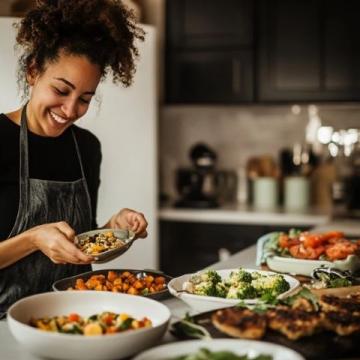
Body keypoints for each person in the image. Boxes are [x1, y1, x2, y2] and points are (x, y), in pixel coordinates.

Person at [0, 0, 148, 314]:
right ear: (33, 71)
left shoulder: (87, 148)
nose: (70, 111)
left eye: (84, 99)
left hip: (74, 317)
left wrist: (113, 229)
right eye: (61, 90)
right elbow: (42, 239)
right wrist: (33, 239)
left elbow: (81, 243)